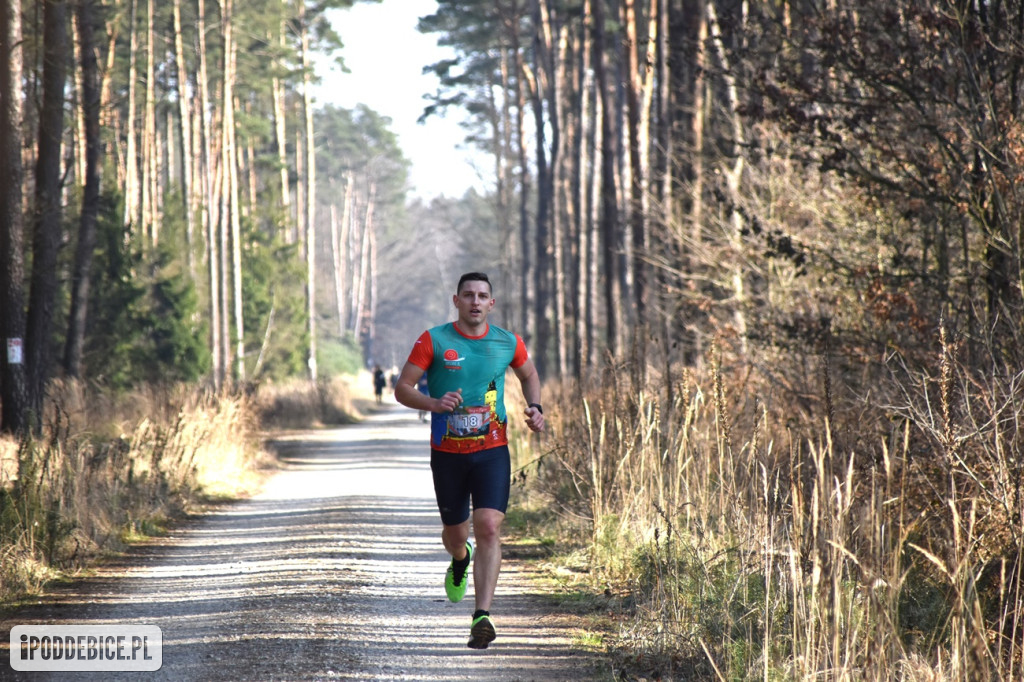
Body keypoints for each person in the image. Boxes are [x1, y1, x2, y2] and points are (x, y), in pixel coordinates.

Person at [394, 272, 544, 650]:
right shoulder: (434, 340)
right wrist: (433, 403)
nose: (475, 302)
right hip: (448, 454)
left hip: (492, 450)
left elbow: (529, 374)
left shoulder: (507, 342)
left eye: (482, 296)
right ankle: (461, 559)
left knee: (489, 525)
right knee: (456, 534)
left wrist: (535, 407)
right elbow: (402, 388)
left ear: (491, 303)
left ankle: (482, 616)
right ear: (456, 300)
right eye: (468, 295)